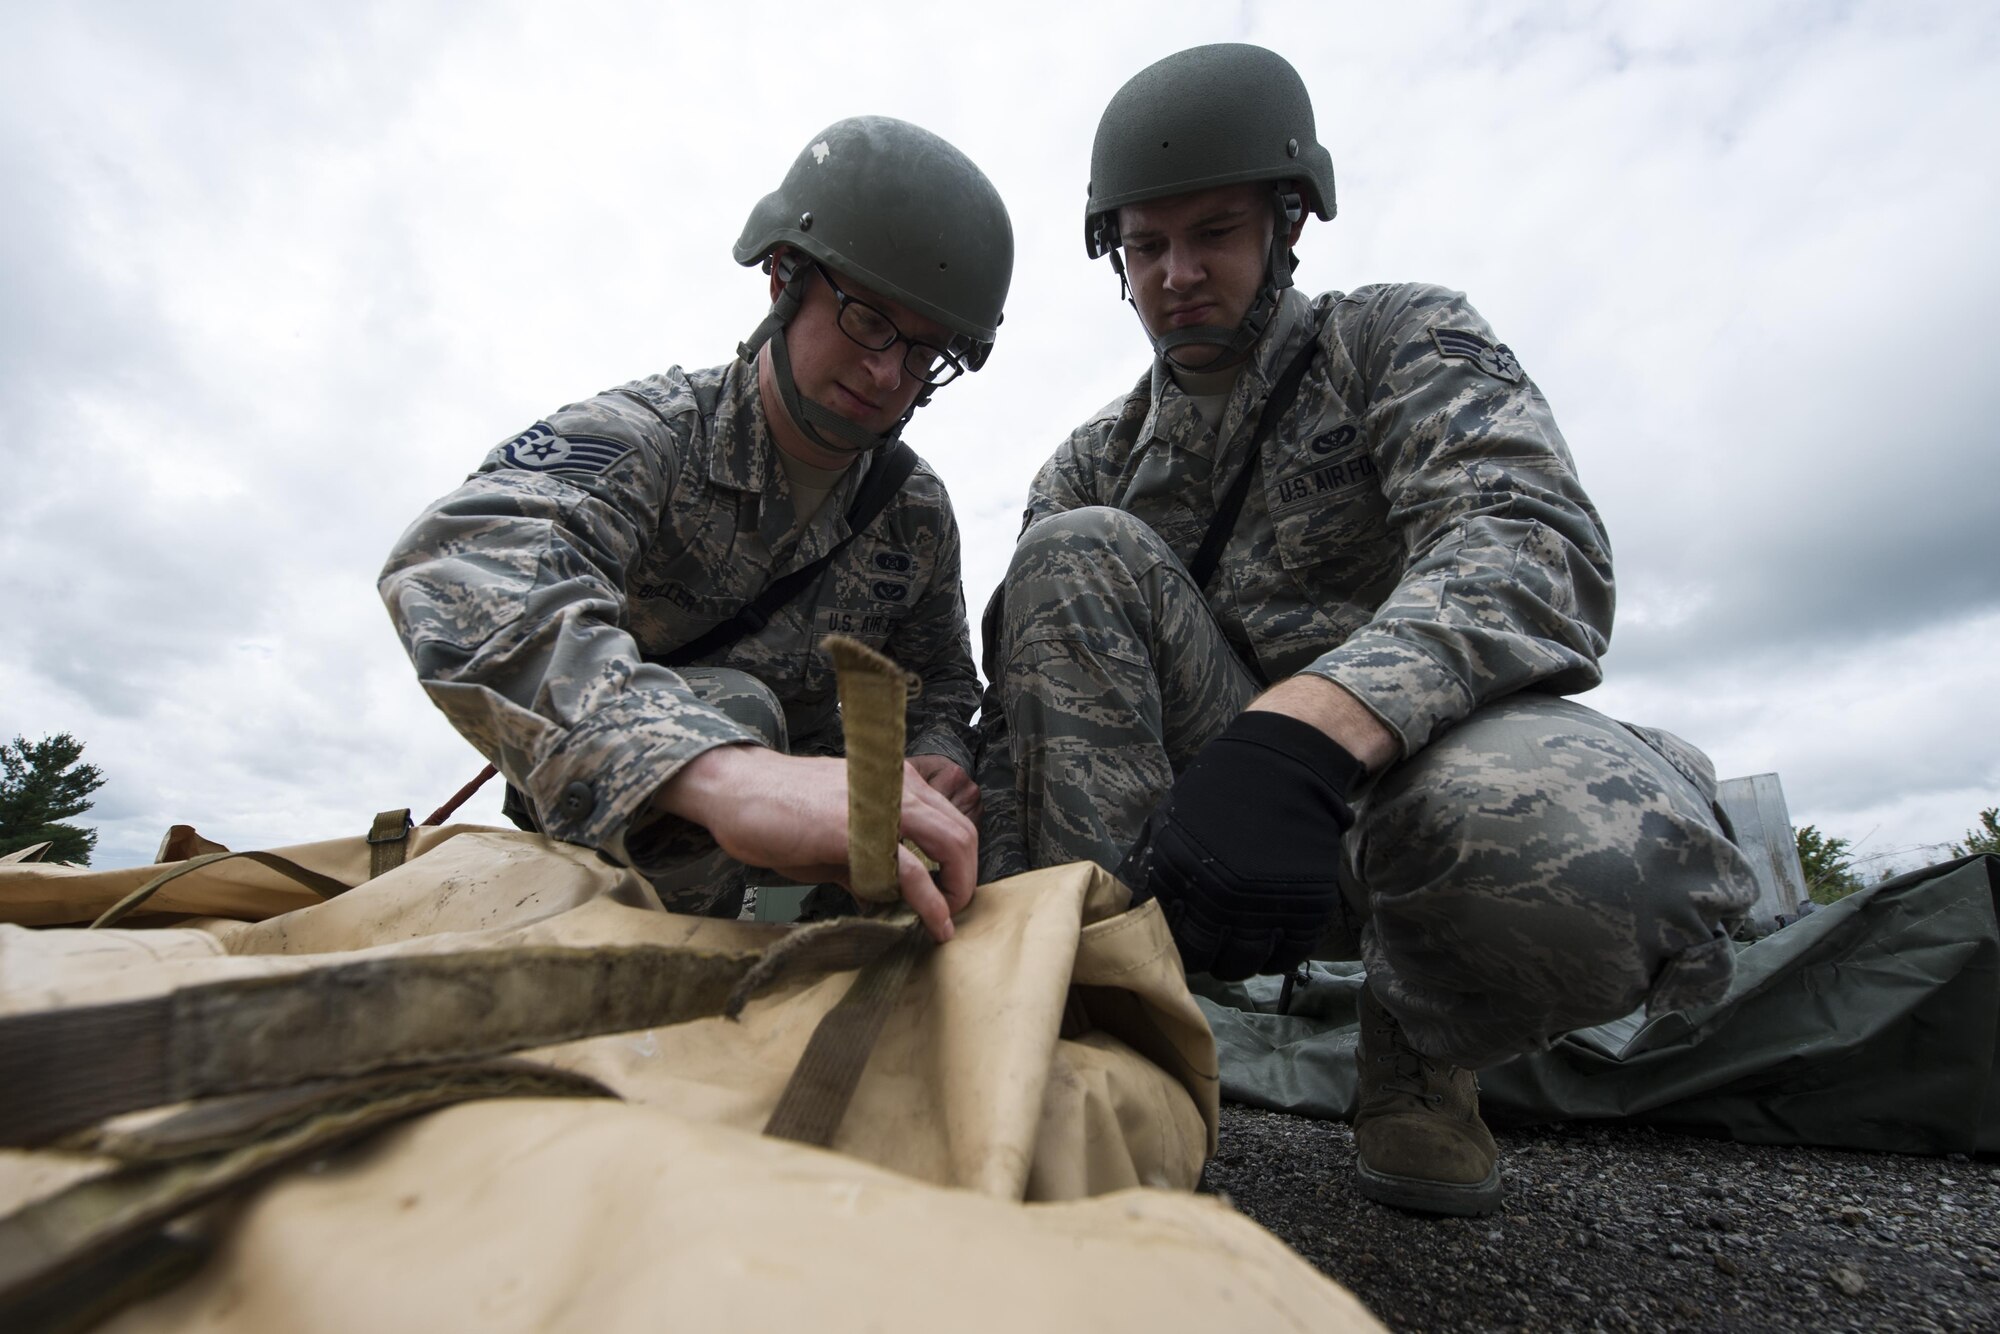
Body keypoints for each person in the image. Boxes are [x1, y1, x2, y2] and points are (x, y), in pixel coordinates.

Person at [975, 45, 1758, 1215]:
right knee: (1068, 549)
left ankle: (1419, 1057)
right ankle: (1096, 1052)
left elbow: (1527, 539)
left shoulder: (1394, 342)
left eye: (1215, 233)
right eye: (1145, 245)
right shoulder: (1089, 463)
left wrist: (1309, 731)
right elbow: (1030, 728)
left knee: (1606, 852)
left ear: (1288, 223)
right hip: (1195, 826)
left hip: (1403, 772)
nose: (1177, 274)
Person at [381, 116, 1013, 945]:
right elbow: (454, 563)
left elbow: (941, 679)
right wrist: (723, 772)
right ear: (786, 277)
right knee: (737, 708)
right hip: (629, 837)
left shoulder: (914, 510)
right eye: (869, 321)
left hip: (821, 866)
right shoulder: (654, 436)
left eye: (927, 354)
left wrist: (939, 758)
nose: (889, 373)